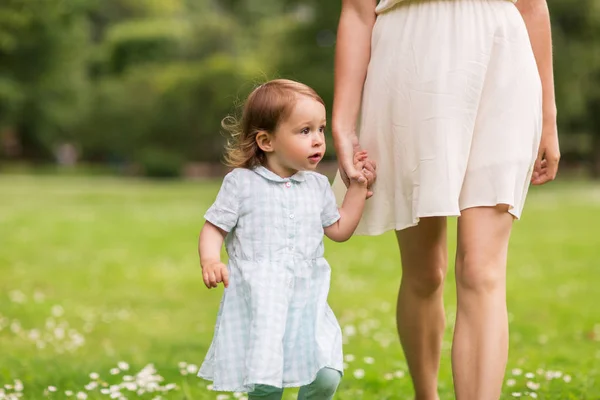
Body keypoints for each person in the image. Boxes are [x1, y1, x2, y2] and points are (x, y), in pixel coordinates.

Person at [330, 0, 560, 399]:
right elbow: (356, 10)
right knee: (425, 272)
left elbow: (533, 7)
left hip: (502, 60)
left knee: (481, 269)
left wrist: (549, 118)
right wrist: (343, 123)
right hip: (409, 63)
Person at [196, 79, 375, 400]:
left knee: (326, 375)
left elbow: (340, 229)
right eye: (304, 131)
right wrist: (211, 259)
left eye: (320, 129)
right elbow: (214, 226)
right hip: (261, 301)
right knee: (266, 384)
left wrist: (358, 187)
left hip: (307, 298)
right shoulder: (241, 184)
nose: (318, 140)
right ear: (266, 140)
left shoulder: (317, 185)